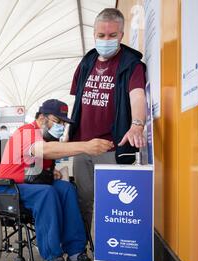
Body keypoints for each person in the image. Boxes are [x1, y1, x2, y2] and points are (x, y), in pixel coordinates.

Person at [0, 99, 113, 261]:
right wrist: (85, 146)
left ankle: (76, 255)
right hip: (7, 189)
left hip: (30, 186)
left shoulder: (48, 139)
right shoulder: (27, 132)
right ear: (42, 118)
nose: (62, 127)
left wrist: (52, 173)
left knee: (67, 189)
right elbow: (43, 151)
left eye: (64, 123)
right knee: (47, 193)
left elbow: (38, 167)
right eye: (58, 121)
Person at [69, 8, 147, 230]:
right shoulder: (87, 62)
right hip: (82, 147)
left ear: (121, 35)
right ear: (94, 34)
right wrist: (70, 138)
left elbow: (137, 95)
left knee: (111, 206)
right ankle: (79, 253)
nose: (106, 40)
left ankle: (109, 257)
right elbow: (78, 104)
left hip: (111, 148)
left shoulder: (131, 64)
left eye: (112, 35)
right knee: (82, 203)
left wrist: (137, 124)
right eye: (101, 35)